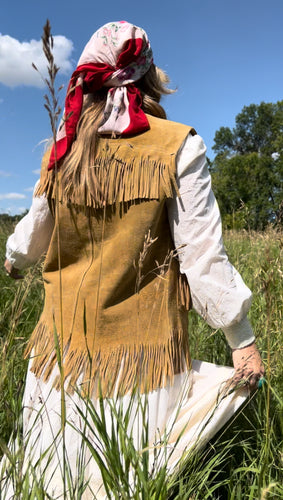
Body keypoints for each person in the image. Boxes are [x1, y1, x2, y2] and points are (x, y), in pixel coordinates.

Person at [3, 21, 264, 499]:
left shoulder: (63, 150)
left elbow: (32, 233)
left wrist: (14, 260)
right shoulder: (177, 145)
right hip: (141, 362)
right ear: (146, 78)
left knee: (48, 477)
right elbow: (202, 255)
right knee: (128, 480)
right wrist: (240, 338)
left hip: (60, 359)